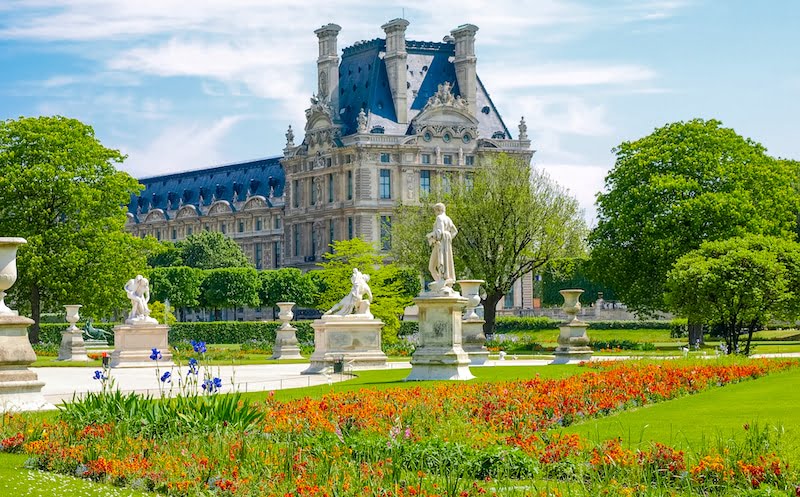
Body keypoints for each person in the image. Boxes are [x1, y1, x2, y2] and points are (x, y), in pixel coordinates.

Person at [426, 203, 458, 293]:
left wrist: (430, 235)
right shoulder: (448, 219)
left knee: (431, 267)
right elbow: (455, 231)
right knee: (444, 262)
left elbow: (439, 233)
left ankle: (440, 283)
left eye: (435, 211)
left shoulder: (439, 218)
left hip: (439, 244)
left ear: (438, 210)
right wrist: (448, 238)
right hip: (446, 244)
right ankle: (443, 281)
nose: (435, 213)